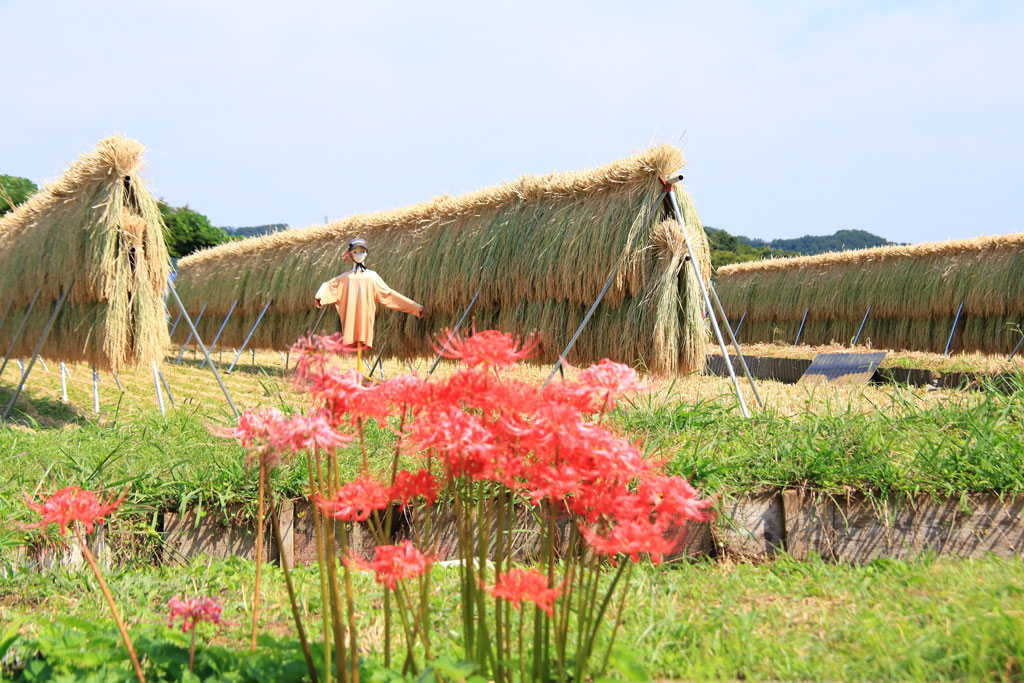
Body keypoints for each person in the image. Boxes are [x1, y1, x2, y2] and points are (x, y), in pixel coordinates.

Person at [314, 238, 423, 351]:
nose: (359, 254)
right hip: (350, 324)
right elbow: (328, 286)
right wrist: (320, 296)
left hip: (365, 323)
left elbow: (389, 295)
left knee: (363, 336)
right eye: (355, 252)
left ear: (366, 253)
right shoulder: (345, 278)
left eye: (362, 251)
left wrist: (414, 307)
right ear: (350, 254)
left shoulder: (372, 277)